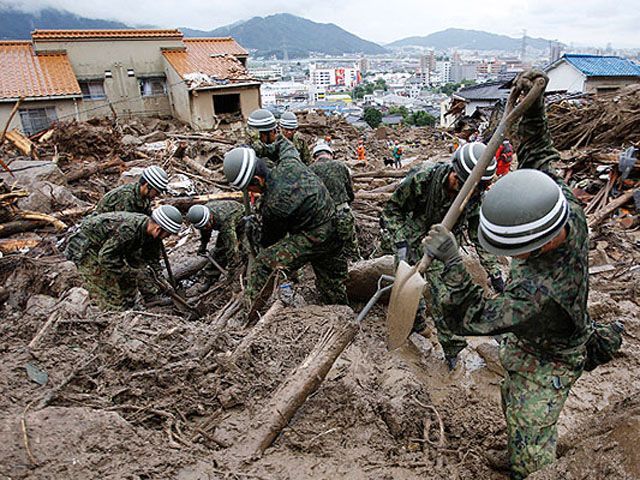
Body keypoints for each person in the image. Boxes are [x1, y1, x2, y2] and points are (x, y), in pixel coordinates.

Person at [422, 70, 592, 479]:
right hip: (526, 342)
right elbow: (540, 154)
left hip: (552, 356)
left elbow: (475, 316)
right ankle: (518, 451)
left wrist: (450, 261)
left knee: (534, 433)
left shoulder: (540, 291)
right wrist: (533, 107)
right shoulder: (558, 200)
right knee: (510, 398)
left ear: (537, 243)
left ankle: (527, 466)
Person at [380, 142, 503, 369]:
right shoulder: (423, 179)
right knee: (407, 288)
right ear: (454, 172)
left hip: (443, 245)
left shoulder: (474, 198)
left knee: (445, 297)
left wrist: (494, 272)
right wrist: (400, 242)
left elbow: (479, 237)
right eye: (463, 185)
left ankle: (453, 350)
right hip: (411, 236)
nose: (467, 192)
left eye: (475, 188)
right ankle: (415, 325)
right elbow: (392, 211)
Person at [223, 147, 348, 306]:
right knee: (332, 283)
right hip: (336, 227)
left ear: (257, 180)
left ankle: (251, 310)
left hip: (315, 237)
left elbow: (270, 240)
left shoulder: (274, 204)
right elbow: (284, 144)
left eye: (249, 189)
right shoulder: (289, 162)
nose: (250, 193)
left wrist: (255, 237)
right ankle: (342, 310)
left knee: (264, 263)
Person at [65, 205, 183, 311]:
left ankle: (131, 307)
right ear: (158, 229)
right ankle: (111, 314)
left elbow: (152, 260)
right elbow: (106, 258)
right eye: (167, 234)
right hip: (86, 248)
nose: (167, 237)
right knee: (111, 295)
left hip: (111, 248)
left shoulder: (151, 235)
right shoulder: (128, 230)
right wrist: (129, 272)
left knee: (130, 281)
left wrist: (162, 281)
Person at [309, 142, 359, 260]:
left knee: (326, 252)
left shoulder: (310, 169)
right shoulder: (341, 166)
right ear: (330, 154)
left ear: (315, 156)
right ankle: (357, 267)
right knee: (350, 246)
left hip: (320, 217)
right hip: (342, 212)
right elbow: (350, 191)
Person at [186, 201, 244, 291]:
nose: (206, 228)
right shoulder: (201, 214)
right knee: (218, 251)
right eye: (203, 227)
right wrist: (203, 245)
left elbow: (232, 249)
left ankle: (241, 277)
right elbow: (205, 232)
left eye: (207, 225)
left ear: (211, 217)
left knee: (242, 248)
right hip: (226, 224)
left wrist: (232, 271)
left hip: (242, 221)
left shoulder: (224, 220)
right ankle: (210, 278)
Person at [94, 165, 168, 215]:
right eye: (157, 192)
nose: (157, 195)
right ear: (147, 186)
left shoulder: (145, 197)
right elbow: (123, 223)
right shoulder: (126, 196)